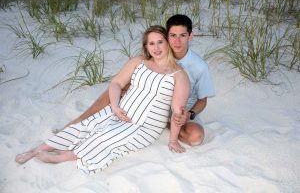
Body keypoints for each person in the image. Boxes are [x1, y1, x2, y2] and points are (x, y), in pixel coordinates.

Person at [15, 25, 190, 174]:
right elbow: (116, 83)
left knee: (107, 136)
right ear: (146, 46)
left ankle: (61, 158)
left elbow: (177, 111)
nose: (156, 47)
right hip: (119, 111)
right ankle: (36, 150)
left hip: (144, 126)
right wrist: (114, 106)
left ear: (167, 43)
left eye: (160, 42)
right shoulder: (139, 62)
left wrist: (173, 140)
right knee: (85, 126)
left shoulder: (178, 74)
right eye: (151, 43)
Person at [58, 14, 215, 147]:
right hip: (147, 103)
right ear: (166, 36)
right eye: (172, 36)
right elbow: (139, 74)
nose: (177, 41)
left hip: (179, 111)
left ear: (190, 36)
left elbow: (202, 100)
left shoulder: (199, 66)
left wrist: (190, 113)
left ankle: (163, 124)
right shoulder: (159, 50)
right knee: (117, 87)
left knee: (196, 138)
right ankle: (77, 123)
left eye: (183, 36)